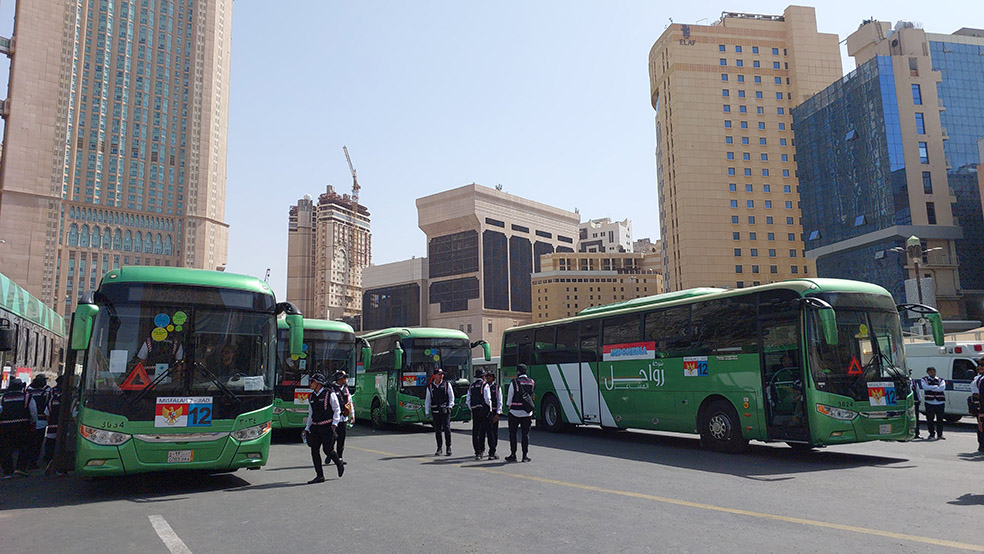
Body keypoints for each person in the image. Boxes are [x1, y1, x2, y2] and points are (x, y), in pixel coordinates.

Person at [302, 373, 344, 484]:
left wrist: (335, 424)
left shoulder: (329, 394)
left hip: (327, 427)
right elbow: (311, 413)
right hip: (315, 427)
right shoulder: (311, 397)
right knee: (314, 451)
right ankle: (319, 475)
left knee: (327, 450)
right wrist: (307, 428)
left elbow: (336, 410)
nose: (310, 384)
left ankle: (338, 463)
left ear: (319, 384)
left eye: (312, 381)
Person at [0, 380, 38, 477]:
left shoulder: (3, 398)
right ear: (21, 387)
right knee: (24, 446)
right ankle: (20, 468)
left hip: (5, 426)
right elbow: (33, 412)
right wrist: (33, 423)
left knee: (6, 449)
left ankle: (7, 470)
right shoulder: (27, 397)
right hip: (23, 425)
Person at [505, 364, 535, 462]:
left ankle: (513, 455)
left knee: (513, 434)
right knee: (525, 435)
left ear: (518, 372)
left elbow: (510, 395)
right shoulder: (531, 382)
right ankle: (524, 456)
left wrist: (509, 406)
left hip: (515, 412)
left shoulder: (514, 382)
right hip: (527, 413)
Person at [424, 368, 454, 456]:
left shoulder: (446, 384)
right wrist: (427, 412)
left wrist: (450, 407)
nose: (441, 376)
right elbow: (427, 400)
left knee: (447, 429)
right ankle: (439, 448)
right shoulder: (430, 387)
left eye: (442, 374)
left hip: (445, 411)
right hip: (435, 411)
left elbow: (451, 397)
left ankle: (448, 447)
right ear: (434, 376)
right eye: (439, 374)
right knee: (438, 430)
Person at [466, 368, 492, 460]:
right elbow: (487, 398)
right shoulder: (485, 385)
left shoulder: (471, 386)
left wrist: (472, 408)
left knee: (475, 431)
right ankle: (482, 450)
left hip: (474, 410)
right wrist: (490, 409)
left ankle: (477, 452)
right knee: (484, 431)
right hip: (483, 410)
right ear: (483, 376)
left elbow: (468, 400)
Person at [25, 375, 50, 469]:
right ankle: (33, 462)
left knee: (30, 442)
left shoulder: (28, 392)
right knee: (38, 443)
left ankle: (27, 461)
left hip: (30, 422)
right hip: (41, 421)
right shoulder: (44, 393)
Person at [42, 375, 65, 466]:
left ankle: (48, 459)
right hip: (63, 427)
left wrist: (50, 422)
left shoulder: (51, 397)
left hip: (52, 425)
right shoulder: (69, 396)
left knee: (50, 442)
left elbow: (47, 413)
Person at [331, 370, 352, 464]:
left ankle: (339, 457)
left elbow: (350, 403)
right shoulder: (332, 389)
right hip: (334, 418)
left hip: (343, 418)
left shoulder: (346, 389)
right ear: (339, 379)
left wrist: (352, 415)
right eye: (344, 378)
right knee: (332, 438)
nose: (345, 380)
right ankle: (331, 454)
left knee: (341, 439)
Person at [920, 367, 947, 440]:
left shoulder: (941, 380)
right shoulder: (924, 379)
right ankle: (931, 434)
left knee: (940, 419)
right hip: (929, 402)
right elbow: (925, 387)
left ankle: (940, 434)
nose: (933, 373)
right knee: (930, 419)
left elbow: (942, 388)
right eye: (931, 372)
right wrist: (935, 386)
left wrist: (931, 388)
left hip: (940, 402)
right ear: (928, 372)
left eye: (934, 372)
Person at [484, 370, 502, 460]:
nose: (488, 378)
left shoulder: (497, 387)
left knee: (494, 433)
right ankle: (484, 450)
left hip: (494, 412)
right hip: (485, 413)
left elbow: (499, 401)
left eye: (490, 376)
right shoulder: (484, 386)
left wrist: (498, 413)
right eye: (487, 376)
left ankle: (493, 450)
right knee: (487, 432)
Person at [971, 359, 984, 452]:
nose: (979, 367)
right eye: (979, 365)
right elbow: (977, 395)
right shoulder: (979, 379)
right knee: (981, 427)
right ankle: (982, 445)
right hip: (981, 406)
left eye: (982, 365)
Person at [910, 375, 922, 439]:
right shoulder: (903, 381)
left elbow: (918, 390)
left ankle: (916, 433)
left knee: (916, 418)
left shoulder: (914, 382)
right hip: (907, 402)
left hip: (915, 402)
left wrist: (919, 399)